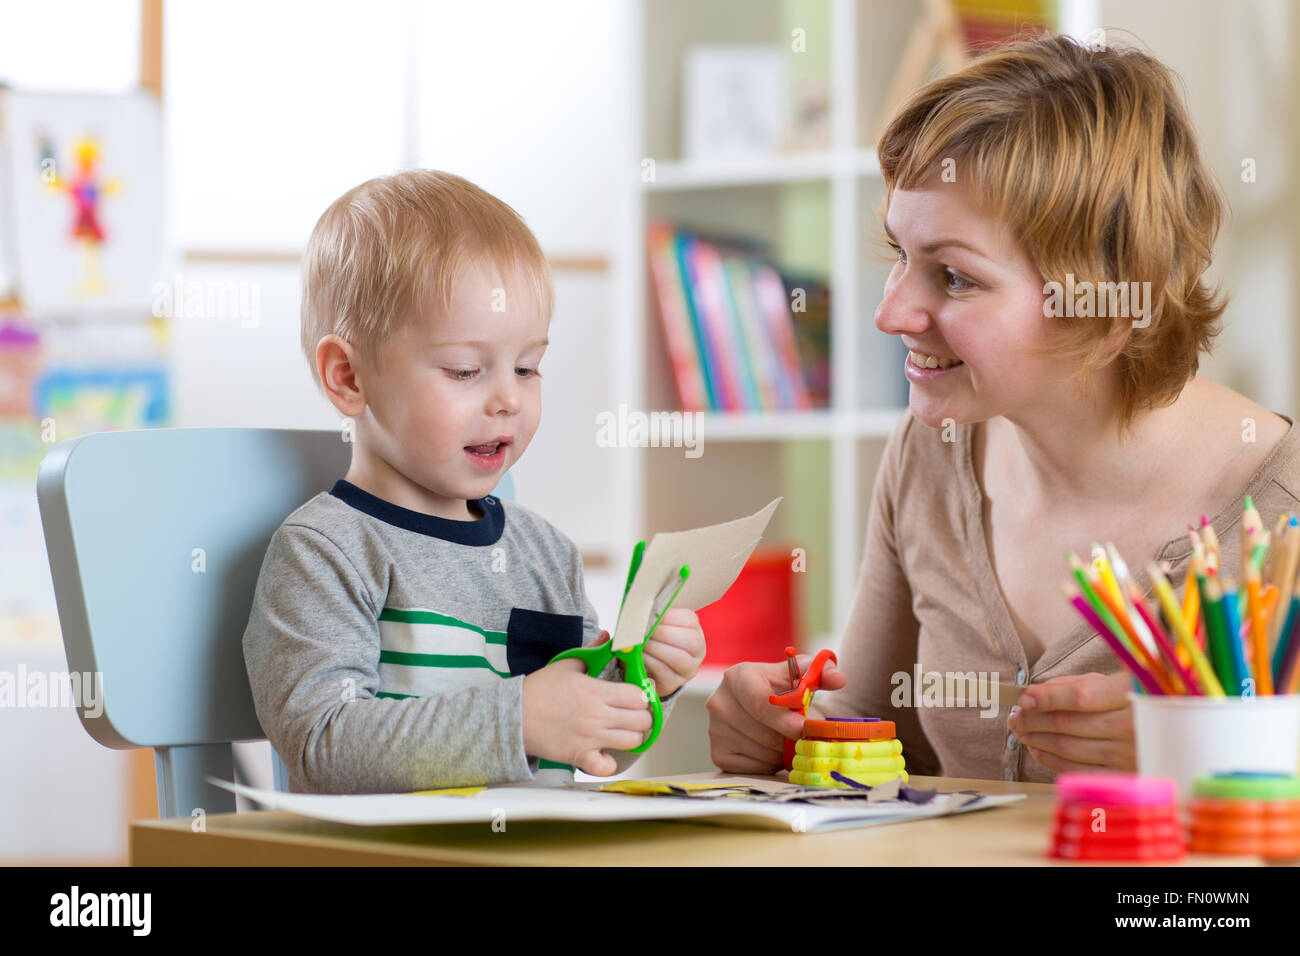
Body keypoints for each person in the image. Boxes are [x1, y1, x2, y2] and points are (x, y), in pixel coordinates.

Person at [707, 33, 1300, 783]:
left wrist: (1213, 756)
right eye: (899, 255)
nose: (892, 313)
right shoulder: (930, 453)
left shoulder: (1284, 512)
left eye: (953, 277)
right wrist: (775, 740)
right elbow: (877, 756)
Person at [243, 169, 706, 793]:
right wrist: (518, 722)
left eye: (527, 367)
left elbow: (585, 750)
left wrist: (645, 680)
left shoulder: (546, 555)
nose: (508, 399)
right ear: (349, 378)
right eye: (465, 370)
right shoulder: (325, 552)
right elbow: (323, 746)